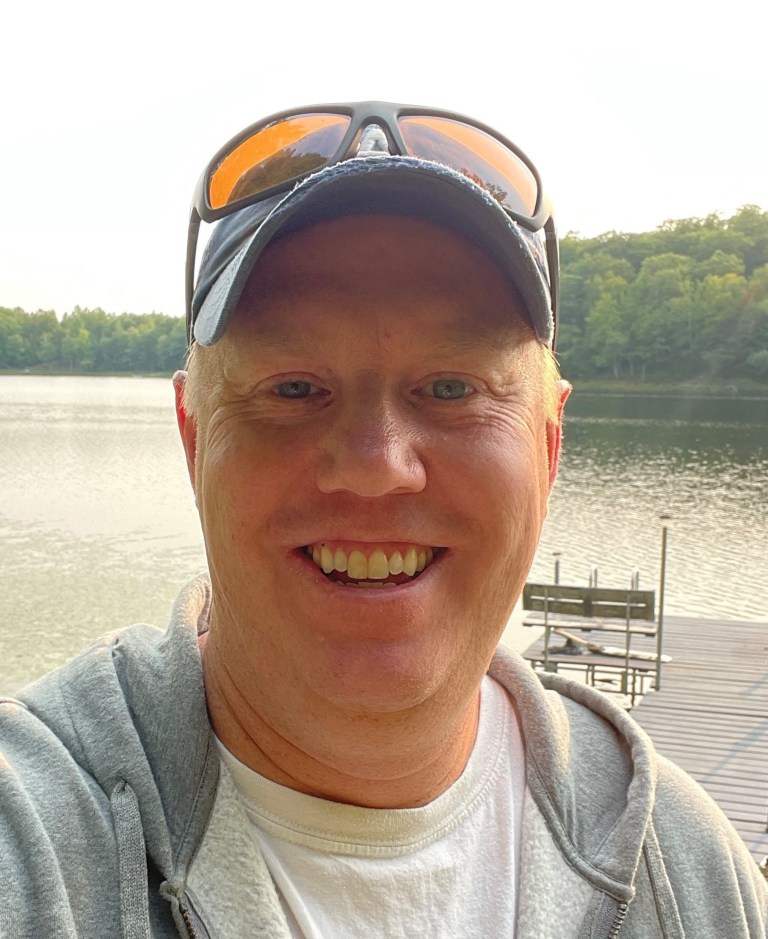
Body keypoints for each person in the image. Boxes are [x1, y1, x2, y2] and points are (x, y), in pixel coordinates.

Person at [0, 102, 765, 939]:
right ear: (193, 438)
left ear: (549, 446)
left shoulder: (693, 878)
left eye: (451, 388)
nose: (374, 466)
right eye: (293, 389)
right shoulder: (33, 842)